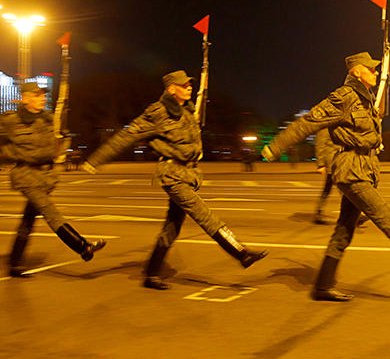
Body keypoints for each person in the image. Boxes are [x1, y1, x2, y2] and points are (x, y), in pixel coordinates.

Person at [262, 52, 390, 301]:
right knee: (386, 217)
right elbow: (309, 122)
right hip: (350, 169)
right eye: (371, 69)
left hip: (364, 167)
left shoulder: (365, 100)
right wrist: (275, 146)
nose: (375, 72)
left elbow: (375, 126)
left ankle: (322, 286)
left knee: (344, 230)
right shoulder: (343, 97)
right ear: (357, 71)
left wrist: (385, 84)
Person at [83, 70, 267, 289]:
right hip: (171, 174)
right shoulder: (157, 112)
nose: (189, 87)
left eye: (190, 84)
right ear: (172, 89)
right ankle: (240, 253)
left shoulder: (188, 112)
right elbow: (127, 135)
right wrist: (95, 160)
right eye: (184, 85)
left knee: (172, 226)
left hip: (188, 174)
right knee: (203, 214)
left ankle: (151, 274)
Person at [1, 82, 106, 277]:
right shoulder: (11, 121)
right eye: (37, 95)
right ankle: (82, 246)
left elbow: (58, 143)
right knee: (50, 212)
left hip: (45, 176)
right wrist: (10, 153)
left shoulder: (49, 119)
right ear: (25, 99)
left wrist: (63, 139)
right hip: (26, 175)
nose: (42, 98)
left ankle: (15, 263)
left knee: (28, 221)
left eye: (43, 95)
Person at [312, 127, 340, 224]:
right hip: (331, 162)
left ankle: (318, 212)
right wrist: (320, 164)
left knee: (328, 188)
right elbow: (320, 145)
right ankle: (352, 215)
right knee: (344, 188)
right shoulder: (325, 127)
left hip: (338, 161)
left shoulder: (337, 125)